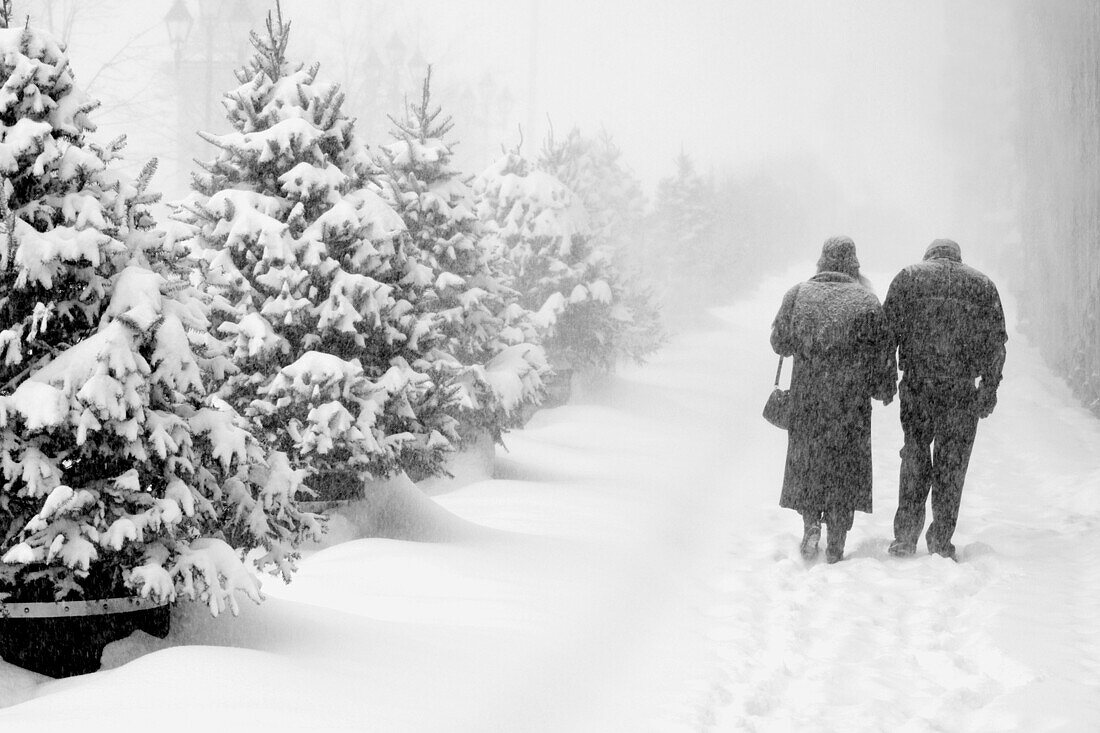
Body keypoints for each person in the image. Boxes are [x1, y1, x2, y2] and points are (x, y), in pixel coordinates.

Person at [771, 236, 897, 563]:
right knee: (844, 466)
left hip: (808, 397)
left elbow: (780, 342)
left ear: (821, 261)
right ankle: (838, 539)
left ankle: (811, 522)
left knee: (809, 465)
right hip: (849, 402)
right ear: (854, 264)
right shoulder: (866, 300)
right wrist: (884, 387)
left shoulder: (798, 294)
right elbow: (882, 352)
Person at [884, 239, 1007, 561]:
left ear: (929, 256)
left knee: (915, 455)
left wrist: (884, 380)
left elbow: (887, 334)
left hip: (918, 384)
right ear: (958, 258)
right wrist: (990, 387)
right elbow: (996, 344)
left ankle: (905, 537)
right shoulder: (982, 285)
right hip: (961, 389)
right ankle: (940, 539)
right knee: (952, 466)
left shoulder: (910, 277)